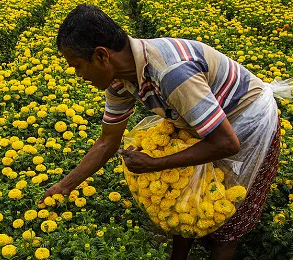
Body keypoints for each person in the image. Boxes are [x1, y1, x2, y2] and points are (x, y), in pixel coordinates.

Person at [40, 4, 280, 260]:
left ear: (101, 56)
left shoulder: (171, 73)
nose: (78, 75)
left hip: (248, 120)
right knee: (186, 195)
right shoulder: (119, 80)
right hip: (204, 121)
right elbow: (107, 141)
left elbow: (226, 143)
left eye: (77, 65)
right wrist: (64, 186)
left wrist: (156, 163)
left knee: (227, 219)